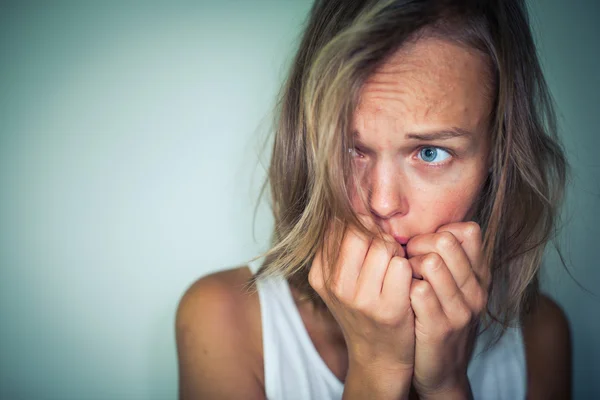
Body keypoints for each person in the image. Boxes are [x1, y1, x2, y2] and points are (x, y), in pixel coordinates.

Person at [176, 0, 572, 398]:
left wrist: (447, 385)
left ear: (497, 157)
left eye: (430, 152)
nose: (382, 203)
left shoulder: (540, 335)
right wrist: (377, 369)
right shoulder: (223, 319)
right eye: (352, 150)